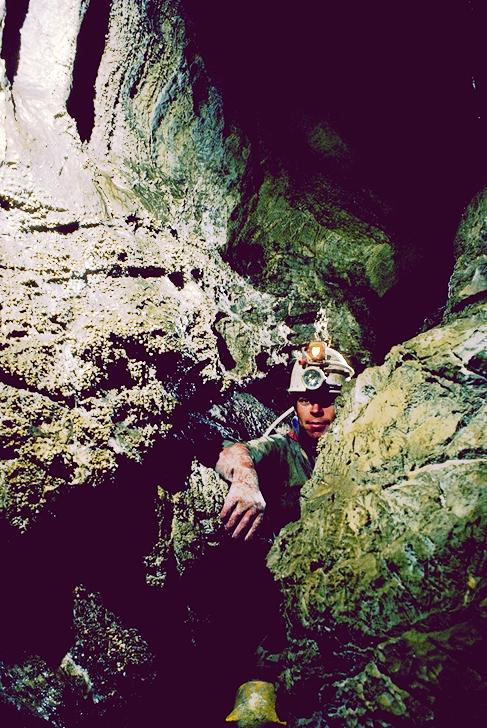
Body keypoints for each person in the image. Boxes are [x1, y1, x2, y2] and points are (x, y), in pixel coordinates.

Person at [214, 340, 354, 726]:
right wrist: (245, 480)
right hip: (287, 609)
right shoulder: (283, 449)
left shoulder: (368, 447)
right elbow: (234, 452)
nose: (315, 410)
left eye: (327, 399)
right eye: (305, 400)